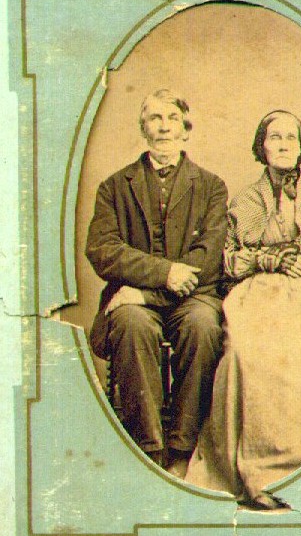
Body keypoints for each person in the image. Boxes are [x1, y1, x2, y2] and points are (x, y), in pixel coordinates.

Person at [185, 109, 301, 509]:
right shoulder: (245, 200)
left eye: (291, 138)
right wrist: (265, 259)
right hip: (260, 292)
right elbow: (226, 260)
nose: (284, 144)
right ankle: (263, 467)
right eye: (275, 137)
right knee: (247, 350)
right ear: (262, 147)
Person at [86, 89, 228, 478]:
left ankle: (182, 449)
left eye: (172, 118)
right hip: (134, 301)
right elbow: (102, 249)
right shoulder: (114, 187)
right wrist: (164, 274)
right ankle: (148, 450)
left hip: (192, 297)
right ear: (143, 129)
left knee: (203, 325)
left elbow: (209, 255)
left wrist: (147, 291)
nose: (164, 127)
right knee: (130, 322)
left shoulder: (211, 186)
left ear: (186, 129)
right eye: (154, 118)